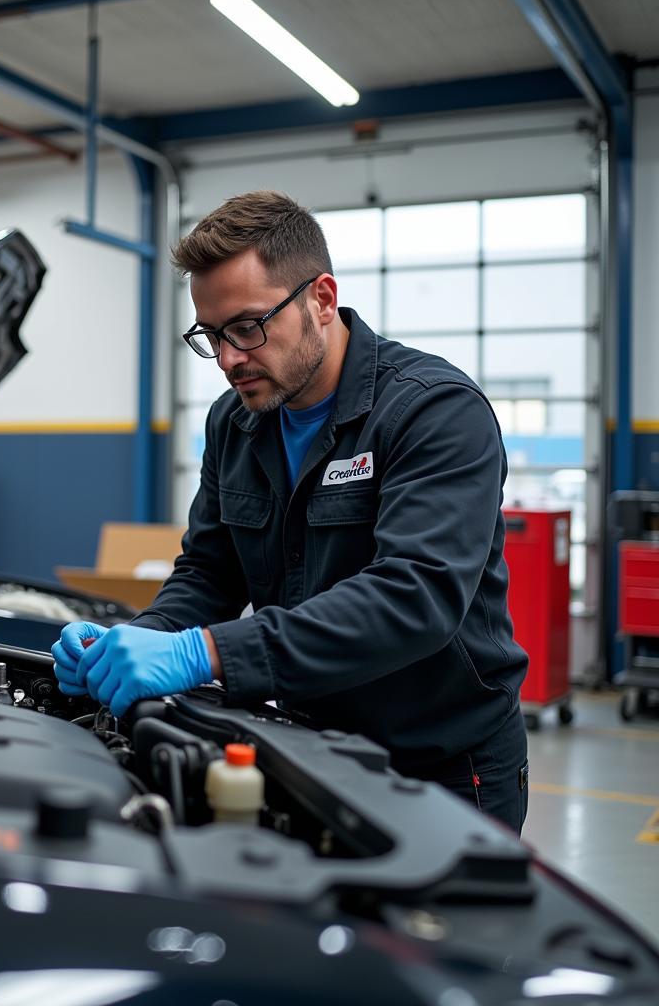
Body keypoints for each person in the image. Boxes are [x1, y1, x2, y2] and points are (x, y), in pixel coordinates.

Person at [53, 190, 529, 833]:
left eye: (248, 328)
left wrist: (207, 654)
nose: (227, 360)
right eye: (211, 336)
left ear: (322, 300)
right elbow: (210, 573)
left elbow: (414, 596)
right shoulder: (236, 421)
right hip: (305, 743)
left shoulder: (433, 411)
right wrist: (141, 638)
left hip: (440, 760)